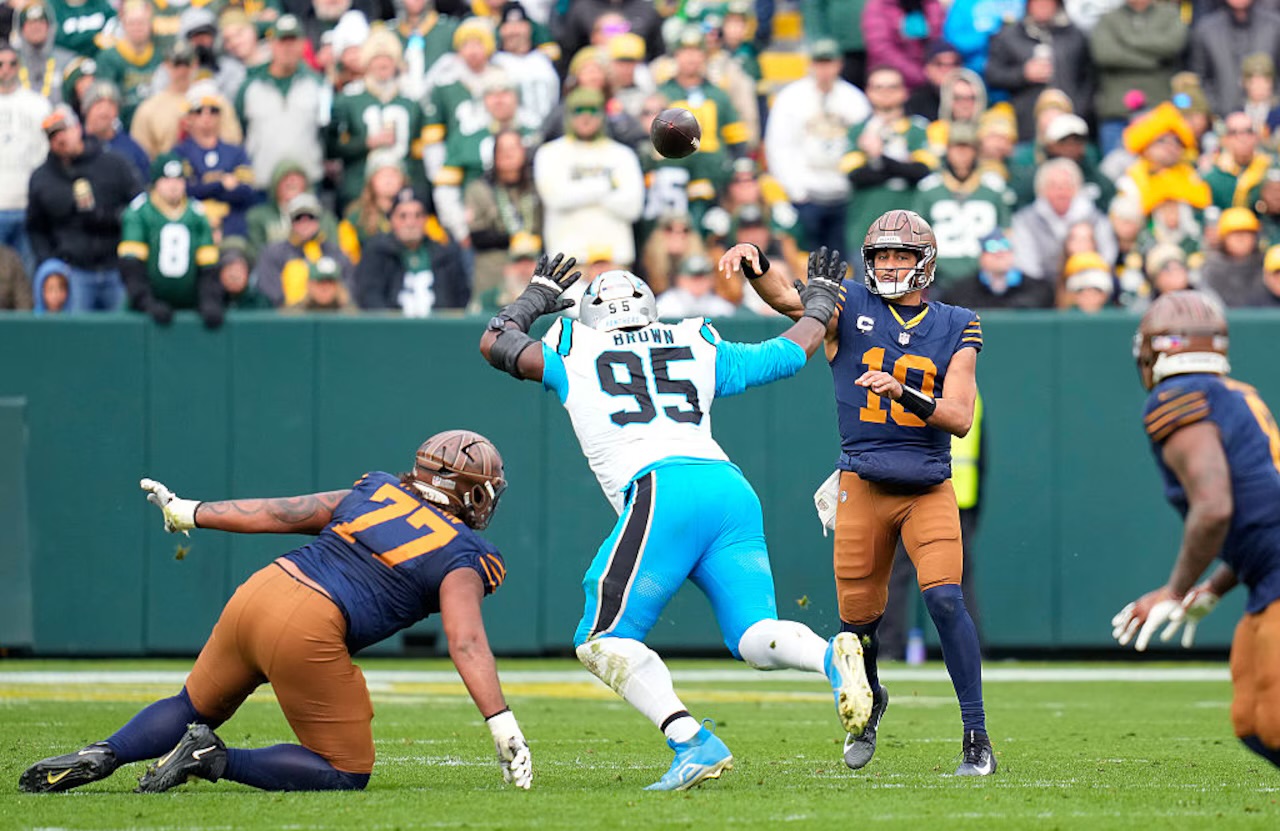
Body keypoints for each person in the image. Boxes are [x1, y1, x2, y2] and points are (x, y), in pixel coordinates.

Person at [478, 248, 873, 790]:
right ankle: (830, 657)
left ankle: (691, 741)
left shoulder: (572, 347)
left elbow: (495, 342)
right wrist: (822, 303)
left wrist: (535, 297)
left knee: (600, 638)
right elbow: (786, 354)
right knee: (754, 634)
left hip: (662, 489)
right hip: (728, 489)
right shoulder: (693, 340)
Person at [18, 430, 533, 793]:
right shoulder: (467, 553)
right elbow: (465, 640)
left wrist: (190, 511)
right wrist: (501, 721)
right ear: (473, 492)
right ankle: (213, 758)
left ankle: (104, 752)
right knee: (346, 769)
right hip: (311, 624)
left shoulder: (377, 491)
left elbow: (281, 512)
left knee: (190, 704)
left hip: (262, 590)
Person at [740, 208, 994, 776]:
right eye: (881, 255)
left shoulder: (958, 322)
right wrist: (757, 268)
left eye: (902, 255)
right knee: (857, 627)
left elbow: (959, 416)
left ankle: (976, 734)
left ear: (924, 262)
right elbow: (790, 300)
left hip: (926, 483)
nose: (890, 265)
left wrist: (902, 391)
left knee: (945, 599)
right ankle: (872, 698)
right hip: (863, 482)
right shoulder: (851, 303)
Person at [1110, 290, 1280, 773]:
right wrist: (1213, 588)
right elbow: (1261, 507)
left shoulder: (1178, 397)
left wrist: (1174, 590)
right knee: (1252, 721)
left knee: (1274, 722)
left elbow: (1214, 508)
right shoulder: (1236, 393)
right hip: (1264, 574)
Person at [26, 107, 142, 312]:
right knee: (77, 330)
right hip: (73, 270)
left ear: (78, 128)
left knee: (120, 329)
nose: (59, 138)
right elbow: (35, 227)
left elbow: (139, 207)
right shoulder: (42, 178)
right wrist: (51, 260)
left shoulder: (114, 164)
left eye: (63, 130)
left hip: (115, 266)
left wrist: (111, 217)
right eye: (52, 135)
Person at [119, 153, 223, 329]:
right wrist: (146, 302)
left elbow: (208, 267)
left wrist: (208, 300)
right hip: (147, 312)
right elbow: (131, 266)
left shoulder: (197, 213)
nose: (173, 185)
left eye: (179, 180)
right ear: (155, 183)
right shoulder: (139, 213)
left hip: (189, 308)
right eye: (166, 180)